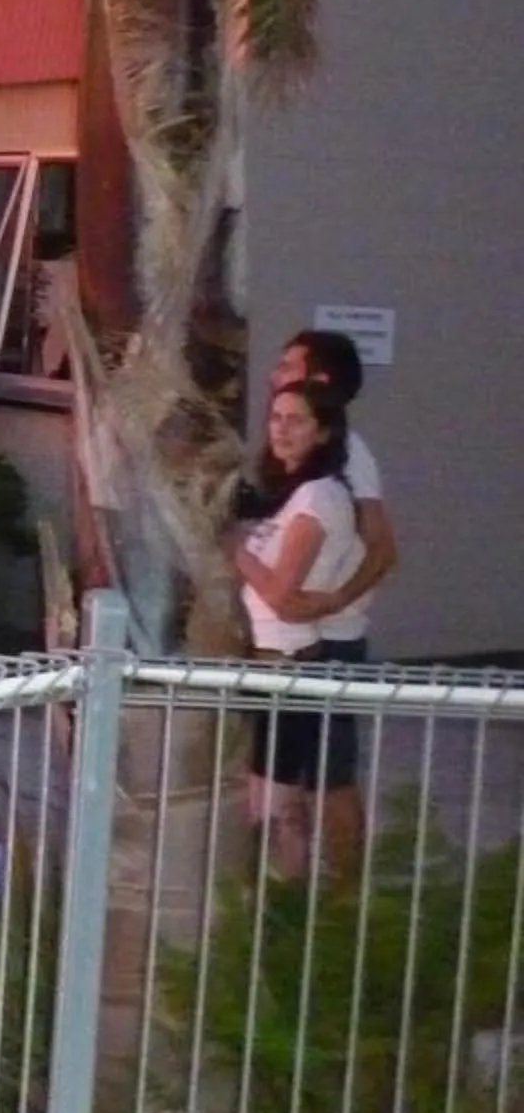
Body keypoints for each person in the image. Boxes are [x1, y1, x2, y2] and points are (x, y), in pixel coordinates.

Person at [227, 379, 366, 879]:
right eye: (276, 418)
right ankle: (280, 899)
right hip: (268, 668)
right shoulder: (290, 496)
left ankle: (283, 907)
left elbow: (283, 597)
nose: (281, 430)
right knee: (266, 798)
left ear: (323, 431)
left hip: (289, 668)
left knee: (276, 807)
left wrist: (237, 552)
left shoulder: (318, 498)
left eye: (297, 420)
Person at [262, 327, 397, 662]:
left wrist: (337, 599)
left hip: (327, 640)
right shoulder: (294, 461)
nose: (273, 377)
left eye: (287, 367)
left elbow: (382, 548)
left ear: (319, 381)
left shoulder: (349, 454)